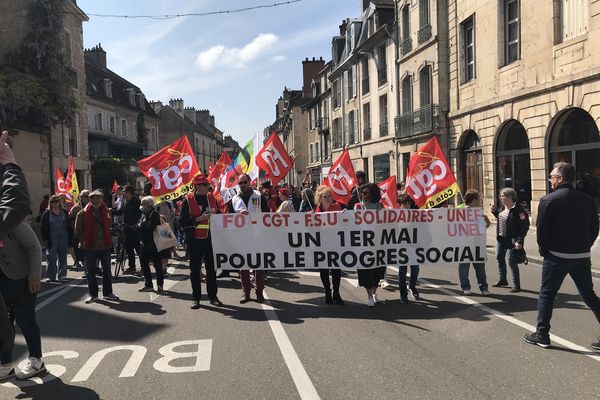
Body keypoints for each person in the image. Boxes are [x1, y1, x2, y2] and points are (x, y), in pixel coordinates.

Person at [524, 162, 600, 350]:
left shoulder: (548, 200)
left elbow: (542, 231)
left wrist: (544, 250)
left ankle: (542, 333)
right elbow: (594, 227)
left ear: (561, 178)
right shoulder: (586, 199)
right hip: (581, 255)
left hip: (557, 255)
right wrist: (586, 245)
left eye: (552, 177)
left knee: (547, 295)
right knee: (589, 295)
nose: (550, 180)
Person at [0, 131, 44, 381]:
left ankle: (36, 359)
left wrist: (34, 277)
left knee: (26, 321)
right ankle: (5, 364)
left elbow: (34, 247)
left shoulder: (11, 218)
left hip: (19, 278)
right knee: (4, 326)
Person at [180, 174, 223, 309]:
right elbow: (182, 221)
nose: (207, 187)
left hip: (211, 239)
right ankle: (196, 298)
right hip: (194, 240)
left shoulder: (211, 197)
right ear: (197, 186)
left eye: (207, 184)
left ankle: (213, 296)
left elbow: (220, 214)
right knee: (195, 270)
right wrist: (199, 218)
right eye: (205, 185)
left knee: (211, 269)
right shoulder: (188, 199)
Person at [75, 190, 119, 304]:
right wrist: (85, 240)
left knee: (107, 271)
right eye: (93, 198)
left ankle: (108, 293)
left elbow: (109, 226)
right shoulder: (82, 213)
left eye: (98, 198)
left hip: (104, 246)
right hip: (90, 247)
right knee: (90, 272)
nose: (95, 200)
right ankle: (93, 294)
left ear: (101, 199)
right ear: (89, 200)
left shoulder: (107, 211)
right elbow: (78, 230)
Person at [231, 173, 270, 303]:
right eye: (240, 183)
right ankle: (246, 293)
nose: (242, 185)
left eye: (244, 182)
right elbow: (228, 218)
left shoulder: (259, 196)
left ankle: (259, 293)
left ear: (250, 182)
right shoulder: (234, 199)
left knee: (259, 265)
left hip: (258, 235)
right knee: (243, 266)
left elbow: (267, 215)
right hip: (241, 236)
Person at [491, 187, 529, 293]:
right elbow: (501, 217)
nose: (501, 198)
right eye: (501, 196)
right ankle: (503, 279)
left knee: (511, 261)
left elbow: (524, 226)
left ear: (510, 197)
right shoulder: (502, 208)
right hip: (501, 237)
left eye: (503, 196)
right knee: (499, 257)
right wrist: (494, 211)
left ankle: (516, 284)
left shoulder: (519, 210)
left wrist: (519, 240)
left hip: (512, 240)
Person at [354, 183, 385, 306]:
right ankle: (369, 296)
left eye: (365, 193)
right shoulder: (358, 207)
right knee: (365, 272)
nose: (362, 195)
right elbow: (353, 223)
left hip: (378, 245)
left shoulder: (380, 207)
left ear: (372, 194)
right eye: (362, 192)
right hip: (363, 246)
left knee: (377, 272)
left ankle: (374, 292)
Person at [314, 185, 344, 305]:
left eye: (329, 196)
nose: (328, 198)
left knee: (336, 269)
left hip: (335, 242)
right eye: (325, 196)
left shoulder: (337, 207)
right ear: (320, 198)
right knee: (324, 270)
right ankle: (327, 291)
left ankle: (336, 292)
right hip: (321, 244)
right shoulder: (316, 210)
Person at [458, 190, 490, 295]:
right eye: (478, 199)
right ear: (473, 200)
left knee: (480, 268)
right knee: (464, 268)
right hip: (464, 245)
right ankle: (465, 287)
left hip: (478, 244)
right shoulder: (460, 211)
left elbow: (486, 225)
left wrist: (485, 219)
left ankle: (483, 287)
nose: (480, 201)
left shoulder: (479, 212)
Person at [40, 194, 73, 281]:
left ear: (60, 202)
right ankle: (51, 276)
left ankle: (62, 275)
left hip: (63, 237)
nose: (55, 203)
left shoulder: (64, 212)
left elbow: (69, 225)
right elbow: (43, 227)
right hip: (51, 238)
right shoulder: (47, 213)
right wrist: (44, 239)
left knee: (63, 257)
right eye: (52, 201)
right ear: (50, 203)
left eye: (56, 201)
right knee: (51, 257)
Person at [137, 196, 165, 293]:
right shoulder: (144, 214)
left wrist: (140, 228)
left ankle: (160, 285)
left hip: (154, 243)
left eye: (143, 204)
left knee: (157, 264)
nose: (142, 206)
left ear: (148, 205)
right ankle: (148, 284)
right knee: (144, 264)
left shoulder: (154, 214)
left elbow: (150, 228)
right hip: (144, 243)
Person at [397, 194, 421, 304]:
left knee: (415, 269)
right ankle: (403, 294)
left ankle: (412, 286)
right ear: (400, 205)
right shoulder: (395, 216)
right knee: (402, 272)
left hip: (413, 247)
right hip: (401, 248)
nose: (407, 206)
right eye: (405, 204)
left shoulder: (415, 214)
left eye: (408, 204)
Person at [112, 185, 141, 275]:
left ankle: (144, 267)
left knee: (138, 249)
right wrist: (111, 211)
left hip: (135, 229)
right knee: (129, 249)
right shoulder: (126, 202)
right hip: (127, 229)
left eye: (124, 191)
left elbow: (141, 213)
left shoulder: (137, 201)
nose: (122, 193)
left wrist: (137, 224)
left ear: (129, 193)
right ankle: (132, 267)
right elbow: (120, 211)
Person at [69, 189, 90, 272]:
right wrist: (76, 227)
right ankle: (86, 269)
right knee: (81, 254)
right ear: (81, 197)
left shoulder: (93, 206)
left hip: (90, 234)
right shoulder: (76, 208)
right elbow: (69, 220)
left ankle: (91, 268)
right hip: (80, 235)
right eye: (85, 196)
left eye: (89, 196)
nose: (88, 198)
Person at [156, 200, 175, 274]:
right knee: (161, 250)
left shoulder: (169, 204)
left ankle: (164, 268)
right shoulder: (157, 205)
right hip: (160, 228)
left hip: (168, 229)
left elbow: (173, 214)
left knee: (167, 250)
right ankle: (162, 267)